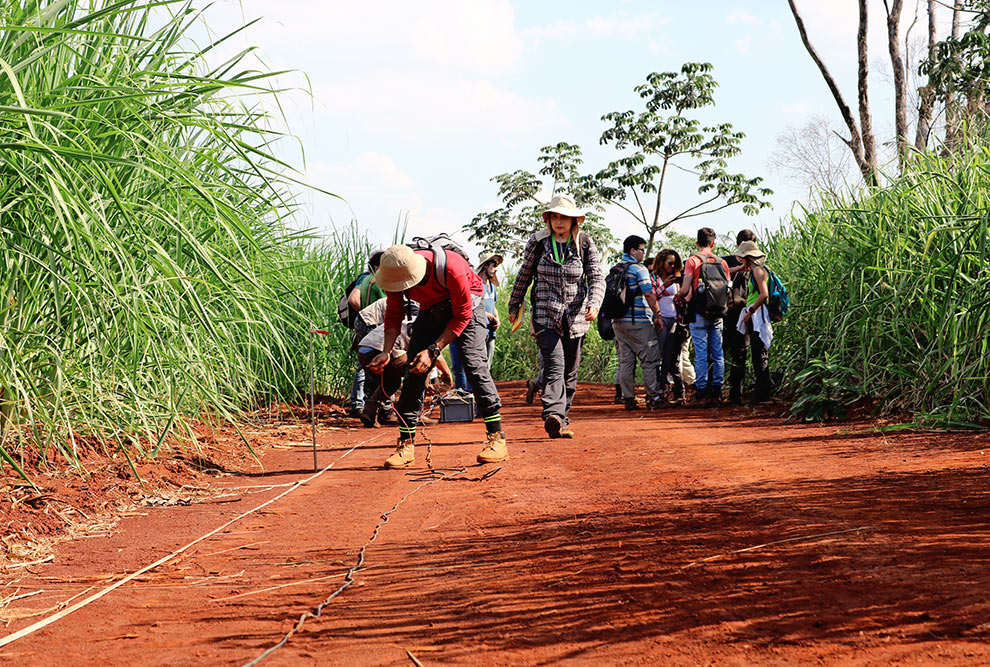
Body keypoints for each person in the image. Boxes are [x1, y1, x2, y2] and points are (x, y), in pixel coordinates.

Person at [370, 243, 507, 468]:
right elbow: (394, 315)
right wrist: (386, 351)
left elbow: (462, 316)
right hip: (431, 308)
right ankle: (406, 444)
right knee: (414, 369)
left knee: (473, 363)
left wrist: (434, 350)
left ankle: (497, 438)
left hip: (468, 308)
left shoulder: (451, 267)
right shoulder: (394, 274)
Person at [507, 194, 605, 439]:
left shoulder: (584, 243)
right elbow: (524, 275)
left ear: (574, 221)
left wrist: (594, 304)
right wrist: (514, 304)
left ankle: (563, 417)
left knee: (570, 371)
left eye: (564, 217)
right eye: (555, 217)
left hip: (576, 317)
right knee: (554, 365)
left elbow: (596, 278)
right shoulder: (538, 242)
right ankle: (553, 414)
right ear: (548, 220)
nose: (559, 222)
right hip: (545, 313)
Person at [356, 312, 453, 428]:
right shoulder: (428, 325)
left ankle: (369, 411)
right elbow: (435, 356)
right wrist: (448, 377)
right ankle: (415, 413)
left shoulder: (413, 319)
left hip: (363, 351)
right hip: (380, 350)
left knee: (392, 382)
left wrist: (425, 385)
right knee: (422, 367)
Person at [676, 227, 730, 405]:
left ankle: (701, 391)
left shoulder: (692, 261)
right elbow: (727, 292)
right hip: (718, 313)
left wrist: (679, 297)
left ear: (697, 243)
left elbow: (684, 290)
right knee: (717, 352)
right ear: (713, 243)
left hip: (698, 312)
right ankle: (717, 390)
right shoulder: (722, 263)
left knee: (700, 352)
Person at [612, 235, 663, 410]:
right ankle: (654, 397)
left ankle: (628, 399)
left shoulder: (616, 268)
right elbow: (649, 294)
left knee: (626, 361)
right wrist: (658, 315)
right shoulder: (639, 269)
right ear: (633, 250)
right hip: (638, 321)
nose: (643, 253)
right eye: (641, 249)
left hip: (618, 322)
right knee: (650, 359)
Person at [347, 249, 385, 417]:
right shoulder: (368, 278)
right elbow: (353, 299)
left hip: (370, 324)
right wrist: (368, 315)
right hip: (370, 324)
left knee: (366, 364)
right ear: (376, 266)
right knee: (366, 364)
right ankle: (359, 405)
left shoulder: (374, 279)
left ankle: (361, 404)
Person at [734, 240, 773, 403]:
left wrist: (750, 312)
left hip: (757, 314)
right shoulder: (758, 270)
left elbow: (763, 294)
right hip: (757, 313)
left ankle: (762, 394)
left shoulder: (758, 271)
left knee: (759, 353)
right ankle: (762, 391)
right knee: (758, 352)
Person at [722, 229, 758, 404]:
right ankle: (720, 391)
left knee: (739, 353)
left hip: (741, 315)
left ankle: (734, 392)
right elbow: (721, 273)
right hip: (729, 315)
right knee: (726, 352)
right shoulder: (727, 262)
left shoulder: (754, 266)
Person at [651, 250, 685, 404]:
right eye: (669, 263)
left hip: (674, 320)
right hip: (661, 319)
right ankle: (660, 390)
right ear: (661, 263)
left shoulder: (677, 280)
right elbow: (651, 297)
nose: (672, 266)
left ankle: (677, 391)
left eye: (675, 264)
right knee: (661, 355)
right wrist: (664, 286)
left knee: (672, 357)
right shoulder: (655, 278)